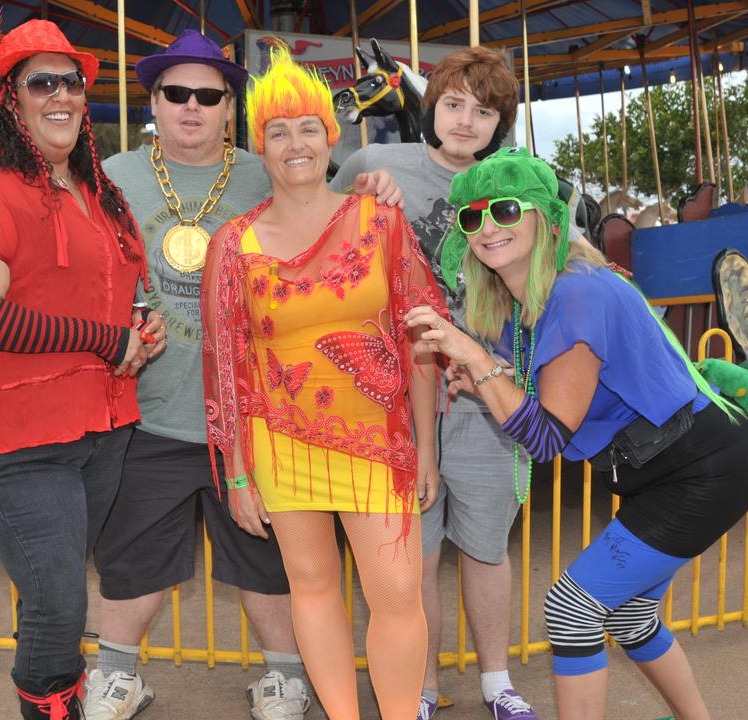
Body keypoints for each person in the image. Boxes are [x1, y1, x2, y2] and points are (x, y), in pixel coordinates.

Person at [90, 30, 400, 720]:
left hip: (262, 416)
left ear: (231, 107)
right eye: (178, 94)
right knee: (132, 554)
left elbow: (339, 207)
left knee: (270, 561)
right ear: (156, 102)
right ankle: (116, 672)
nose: (192, 107)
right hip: (151, 408)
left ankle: (285, 675)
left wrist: (375, 181)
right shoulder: (113, 178)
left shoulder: (267, 169)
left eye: (209, 95)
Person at [405, 146, 748, 720]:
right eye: (472, 217)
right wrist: (482, 378)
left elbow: (545, 437)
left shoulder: (577, 290)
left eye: (505, 210)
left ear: (545, 219)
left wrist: (473, 356)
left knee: (572, 609)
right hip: (664, 466)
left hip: (702, 465)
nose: (487, 227)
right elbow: (532, 398)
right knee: (627, 615)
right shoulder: (522, 299)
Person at [0, 7, 165, 719]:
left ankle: (58, 680)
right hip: (11, 439)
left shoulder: (97, 193)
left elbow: (108, 298)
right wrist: (105, 339)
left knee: (49, 591)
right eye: (42, 84)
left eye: (72, 83)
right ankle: (54, 706)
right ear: (11, 99)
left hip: (101, 426)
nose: (62, 96)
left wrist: (135, 328)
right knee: (60, 601)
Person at [201, 46, 447, 720]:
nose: (295, 143)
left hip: (378, 438)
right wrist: (238, 473)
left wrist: (427, 448)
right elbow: (225, 362)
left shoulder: (380, 221)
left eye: (307, 126)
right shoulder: (235, 243)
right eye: (277, 131)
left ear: (330, 135)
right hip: (278, 443)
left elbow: (419, 340)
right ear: (260, 147)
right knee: (311, 587)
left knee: (397, 589)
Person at [330, 46, 539, 720]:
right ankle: (416, 689)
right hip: (393, 393)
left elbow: (549, 271)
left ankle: (496, 681)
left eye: (484, 112)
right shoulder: (374, 164)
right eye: (454, 104)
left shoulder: (519, 178)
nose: (466, 121)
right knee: (410, 558)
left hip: (484, 389)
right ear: (432, 106)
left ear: (500, 123)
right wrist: (359, 202)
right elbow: (321, 249)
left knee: (484, 546)